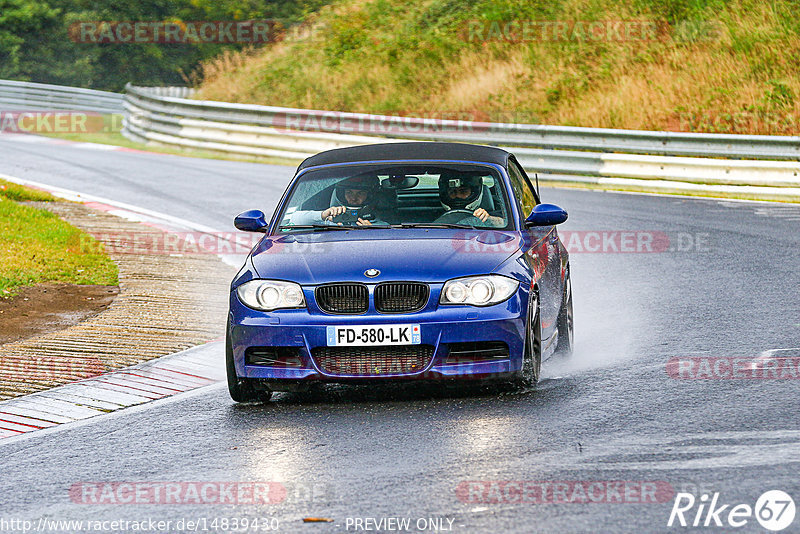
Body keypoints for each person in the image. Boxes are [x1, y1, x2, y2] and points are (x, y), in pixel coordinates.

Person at [289, 175, 386, 226]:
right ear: (341, 194)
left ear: (369, 195)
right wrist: (322, 215)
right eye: (349, 192)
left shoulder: (379, 225)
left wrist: (372, 231)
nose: (353, 198)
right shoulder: (331, 221)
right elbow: (293, 220)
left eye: (360, 193)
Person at [438, 174, 505, 227]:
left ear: (474, 191)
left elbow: (505, 224)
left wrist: (488, 219)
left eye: (463, 191)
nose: (458, 196)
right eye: (452, 192)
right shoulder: (431, 216)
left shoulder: (503, 210)